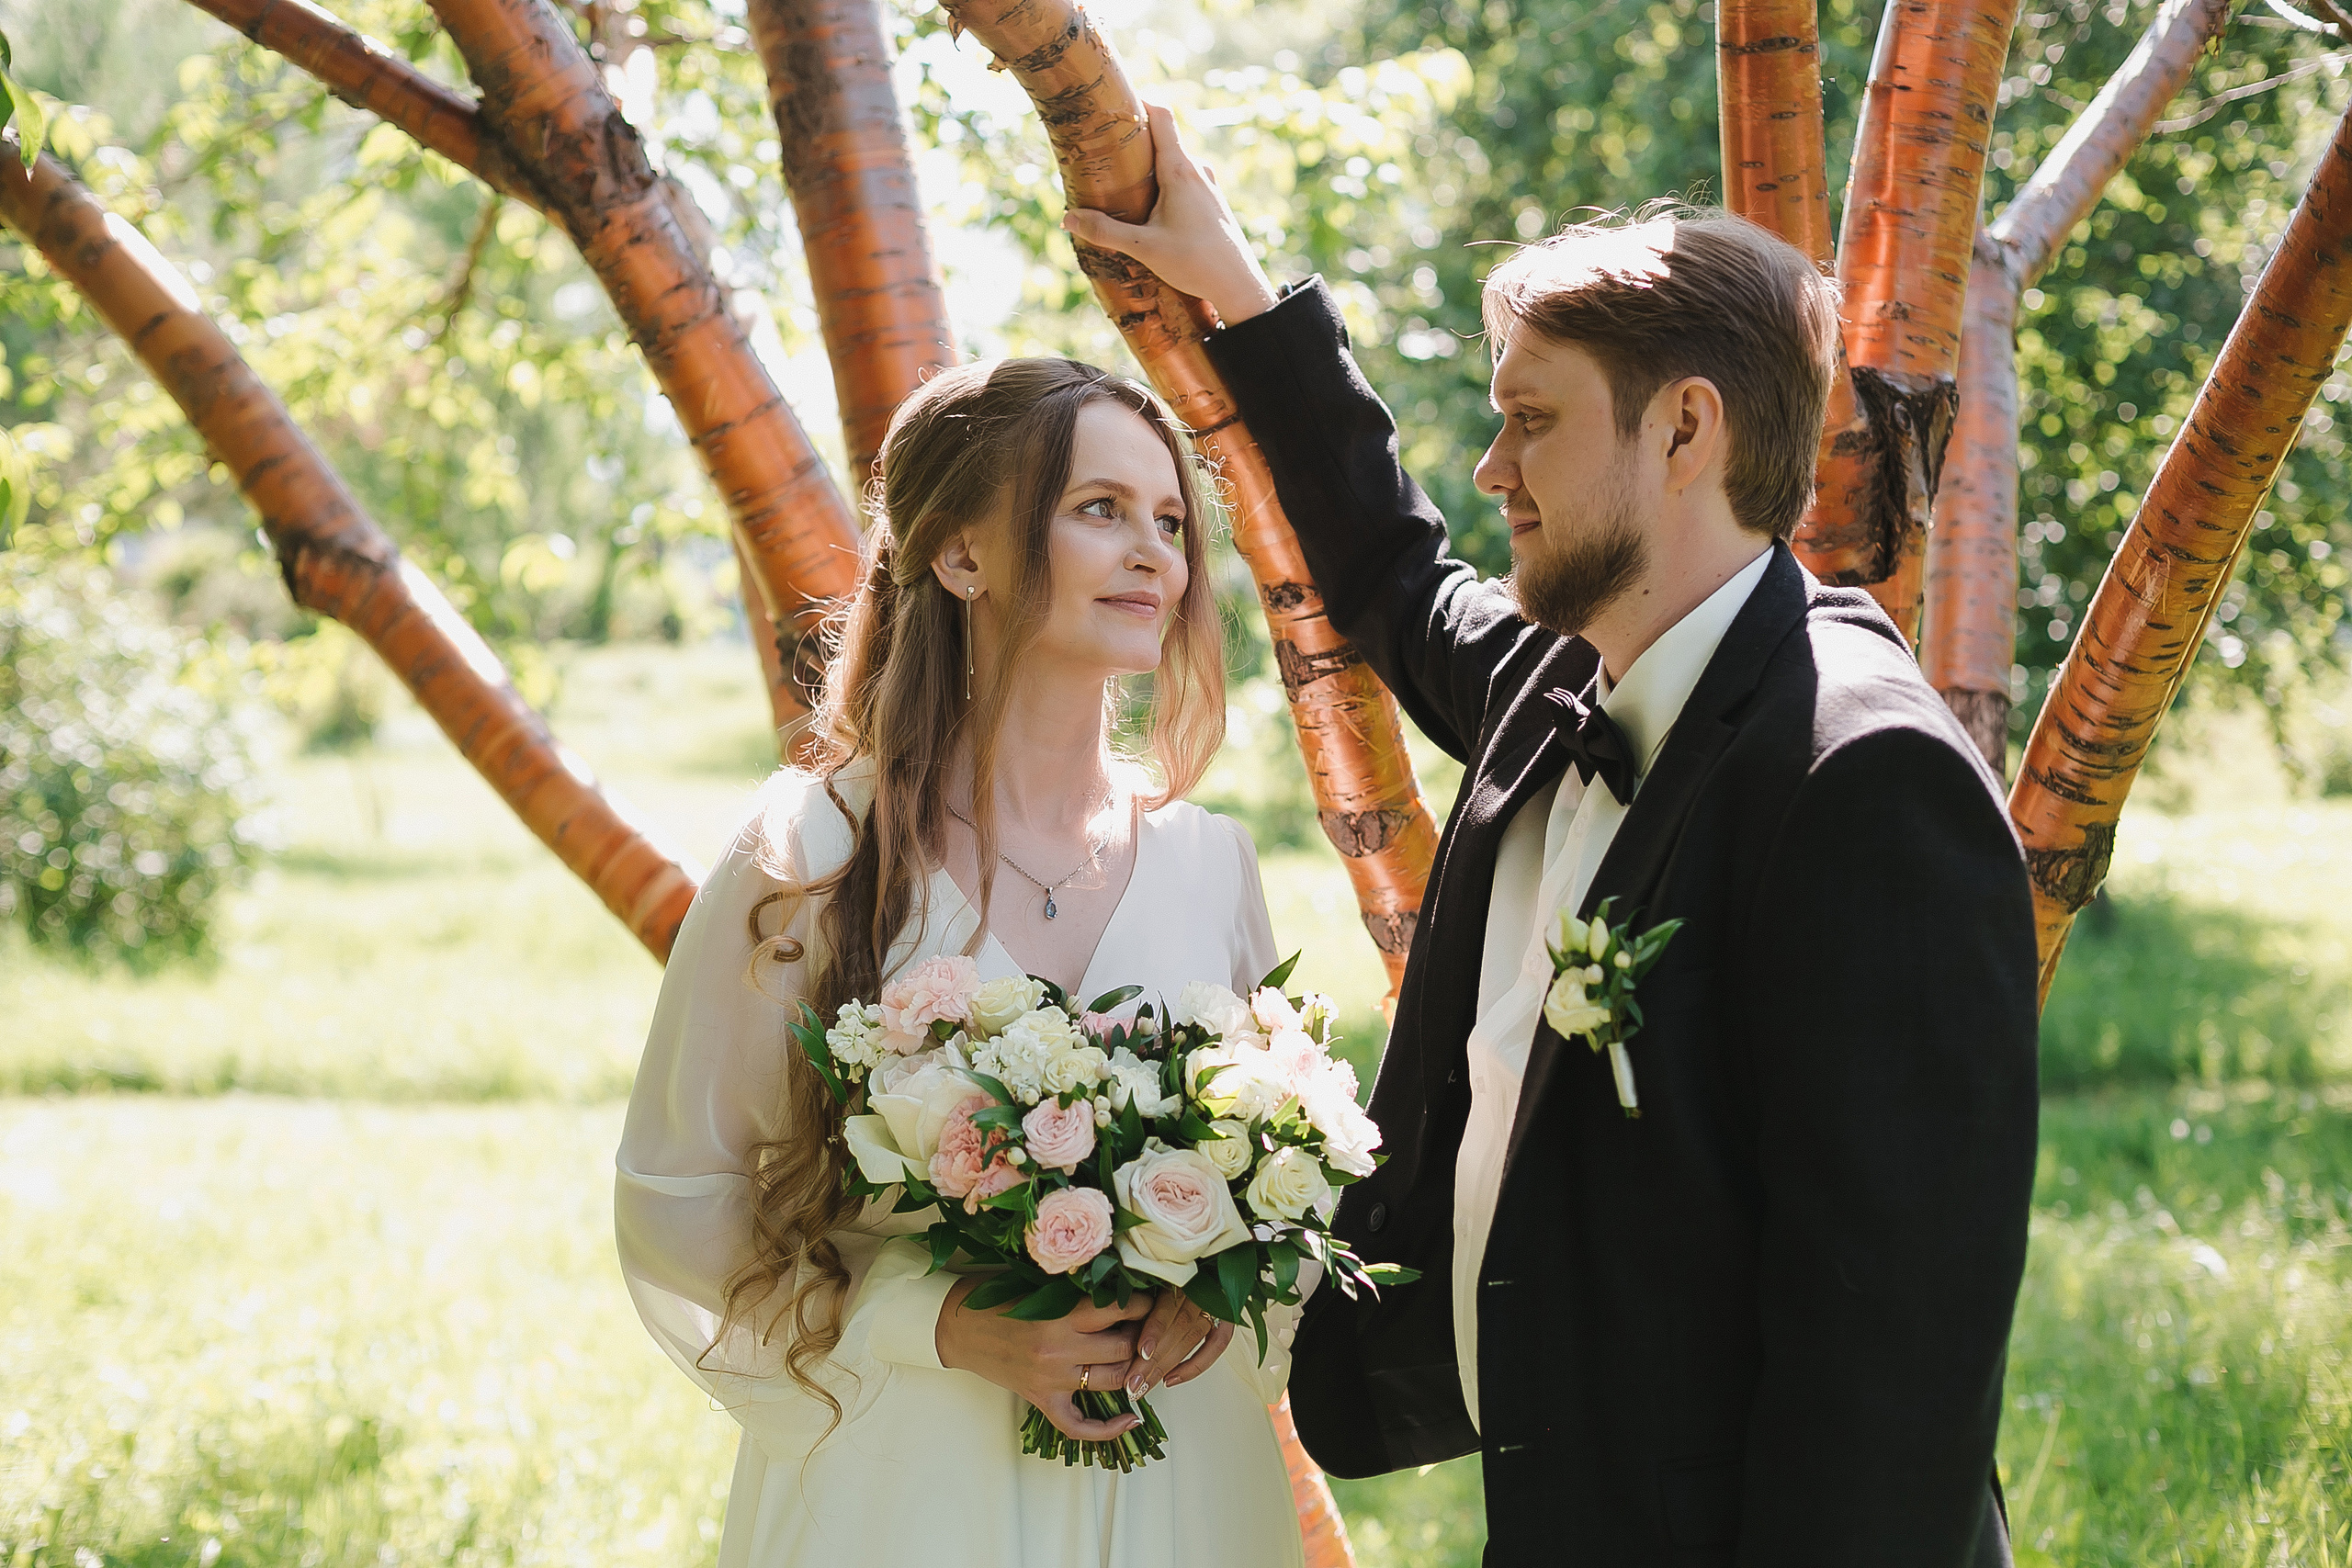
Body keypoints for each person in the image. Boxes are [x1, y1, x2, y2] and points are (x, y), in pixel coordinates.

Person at [1066, 107, 2041, 1565]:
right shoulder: (1566, 676)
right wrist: (1242, 294)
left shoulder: (1866, 777)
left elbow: (1895, 1360)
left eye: (1534, 420)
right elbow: (1393, 571)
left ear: (1687, 428)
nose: (1493, 468)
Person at [615, 357, 1306, 1568]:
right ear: (961, 555)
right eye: (1098, 509)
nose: (1155, 554)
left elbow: (1287, 1184)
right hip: (905, 1486)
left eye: (1168, 521)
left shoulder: (1212, 863)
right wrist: (940, 1323)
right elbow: (679, 1204)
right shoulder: (809, 852)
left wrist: (1218, 1282)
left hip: (1177, 1491)